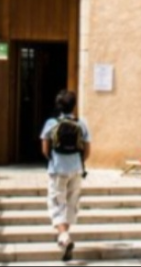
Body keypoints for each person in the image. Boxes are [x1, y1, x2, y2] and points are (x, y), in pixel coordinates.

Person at [41, 90, 91, 262]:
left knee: (56, 203)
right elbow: (87, 152)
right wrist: (77, 161)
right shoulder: (82, 124)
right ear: (74, 106)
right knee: (71, 203)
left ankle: (63, 236)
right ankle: (64, 239)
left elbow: (45, 150)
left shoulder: (51, 123)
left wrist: (54, 160)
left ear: (58, 106)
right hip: (76, 169)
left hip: (57, 169)